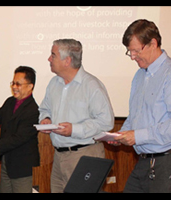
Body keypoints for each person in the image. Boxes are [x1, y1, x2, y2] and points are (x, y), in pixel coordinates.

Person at [38, 39, 114, 193]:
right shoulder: (54, 83)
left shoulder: (91, 86)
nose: (49, 59)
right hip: (59, 157)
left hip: (85, 154)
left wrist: (75, 129)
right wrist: (45, 119)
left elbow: (106, 122)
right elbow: (44, 108)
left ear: (67, 60)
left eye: (53, 55)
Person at [109, 19, 171, 193]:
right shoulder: (139, 76)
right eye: (130, 52)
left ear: (153, 43)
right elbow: (136, 115)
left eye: (136, 50)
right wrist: (121, 134)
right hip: (143, 162)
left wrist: (137, 136)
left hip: (165, 163)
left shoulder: (168, 74)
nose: (133, 56)